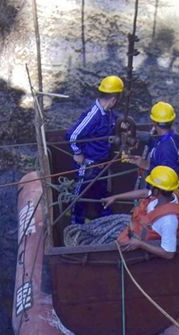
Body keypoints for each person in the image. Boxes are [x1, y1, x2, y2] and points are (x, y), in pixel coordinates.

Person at [65, 75, 124, 224]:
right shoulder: (93, 116)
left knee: (101, 191)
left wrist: (120, 123)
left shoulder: (108, 112)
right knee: (80, 194)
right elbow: (72, 135)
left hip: (101, 164)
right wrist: (77, 153)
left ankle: (105, 218)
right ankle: (75, 222)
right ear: (113, 100)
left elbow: (113, 119)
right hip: (88, 165)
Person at [101, 166, 179, 260]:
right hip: (134, 231)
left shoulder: (168, 221)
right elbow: (144, 193)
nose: (150, 187)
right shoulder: (164, 197)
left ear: (157, 190)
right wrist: (115, 197)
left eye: (152, 185)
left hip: (139, 245)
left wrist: (140, 244)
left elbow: (168, 254)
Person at [129, 101, 179, 177]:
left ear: (154, 122)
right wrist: (136, 135)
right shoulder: (175, 137)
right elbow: (154, 140)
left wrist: (146, 165)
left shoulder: (166, 150)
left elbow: (166, 177)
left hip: (157, 185)